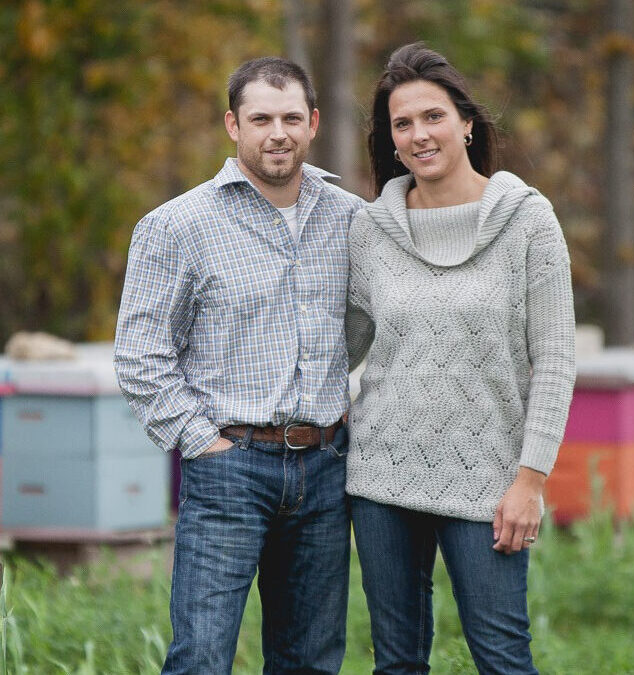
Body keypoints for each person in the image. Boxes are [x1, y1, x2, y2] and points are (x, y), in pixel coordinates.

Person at [114, 56, 363, 675]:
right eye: (260, 119)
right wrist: (201, 442)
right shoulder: (176, 226)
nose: (276, 133)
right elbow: (140, 354)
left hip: (326, 466)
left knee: (310, 660)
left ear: (313, 123)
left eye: (289, 118)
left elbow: (362, 326)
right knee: (201, 655)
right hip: (231, 467)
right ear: (233, 124)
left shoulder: (352, 218)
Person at [345, 43, 576, 674]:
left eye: (433, 116)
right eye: (402, 123)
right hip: (381, 479)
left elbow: (555, 360)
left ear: (467, 123)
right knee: (395, 664)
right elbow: (341, 347)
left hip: (491, 481)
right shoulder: (370, 231)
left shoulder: (528, 221)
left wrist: (530, 480)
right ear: (390, 141)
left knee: (502, 659)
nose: (419, 134)